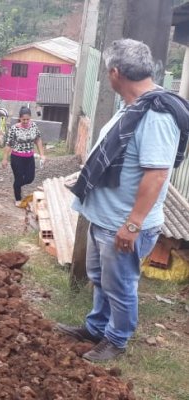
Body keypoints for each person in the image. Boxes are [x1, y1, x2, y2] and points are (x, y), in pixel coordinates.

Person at [58, 39, 189, 362]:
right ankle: (96, 328)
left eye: (107, 73)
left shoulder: (156, 115)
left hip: (123, 224)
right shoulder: (133, 106)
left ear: (115, 73)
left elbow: (156, 175)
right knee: (101, 280)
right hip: (104, 218)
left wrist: (133, 225)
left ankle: (116, 340)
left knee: (120, 287)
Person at [2, 107, 46, 207]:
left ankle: (16, 186)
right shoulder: (14, 128)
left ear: (30, 118)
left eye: (27, 119)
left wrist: (42, 154)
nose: (26, 121)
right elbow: (8, 144)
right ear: (20, 118)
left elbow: (38, 140)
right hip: (17, 158)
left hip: (29, 157)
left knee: (30, 178)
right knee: (18, 178)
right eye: (23, 119)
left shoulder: (34, 126)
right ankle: (18, 198)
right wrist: (5, 159)